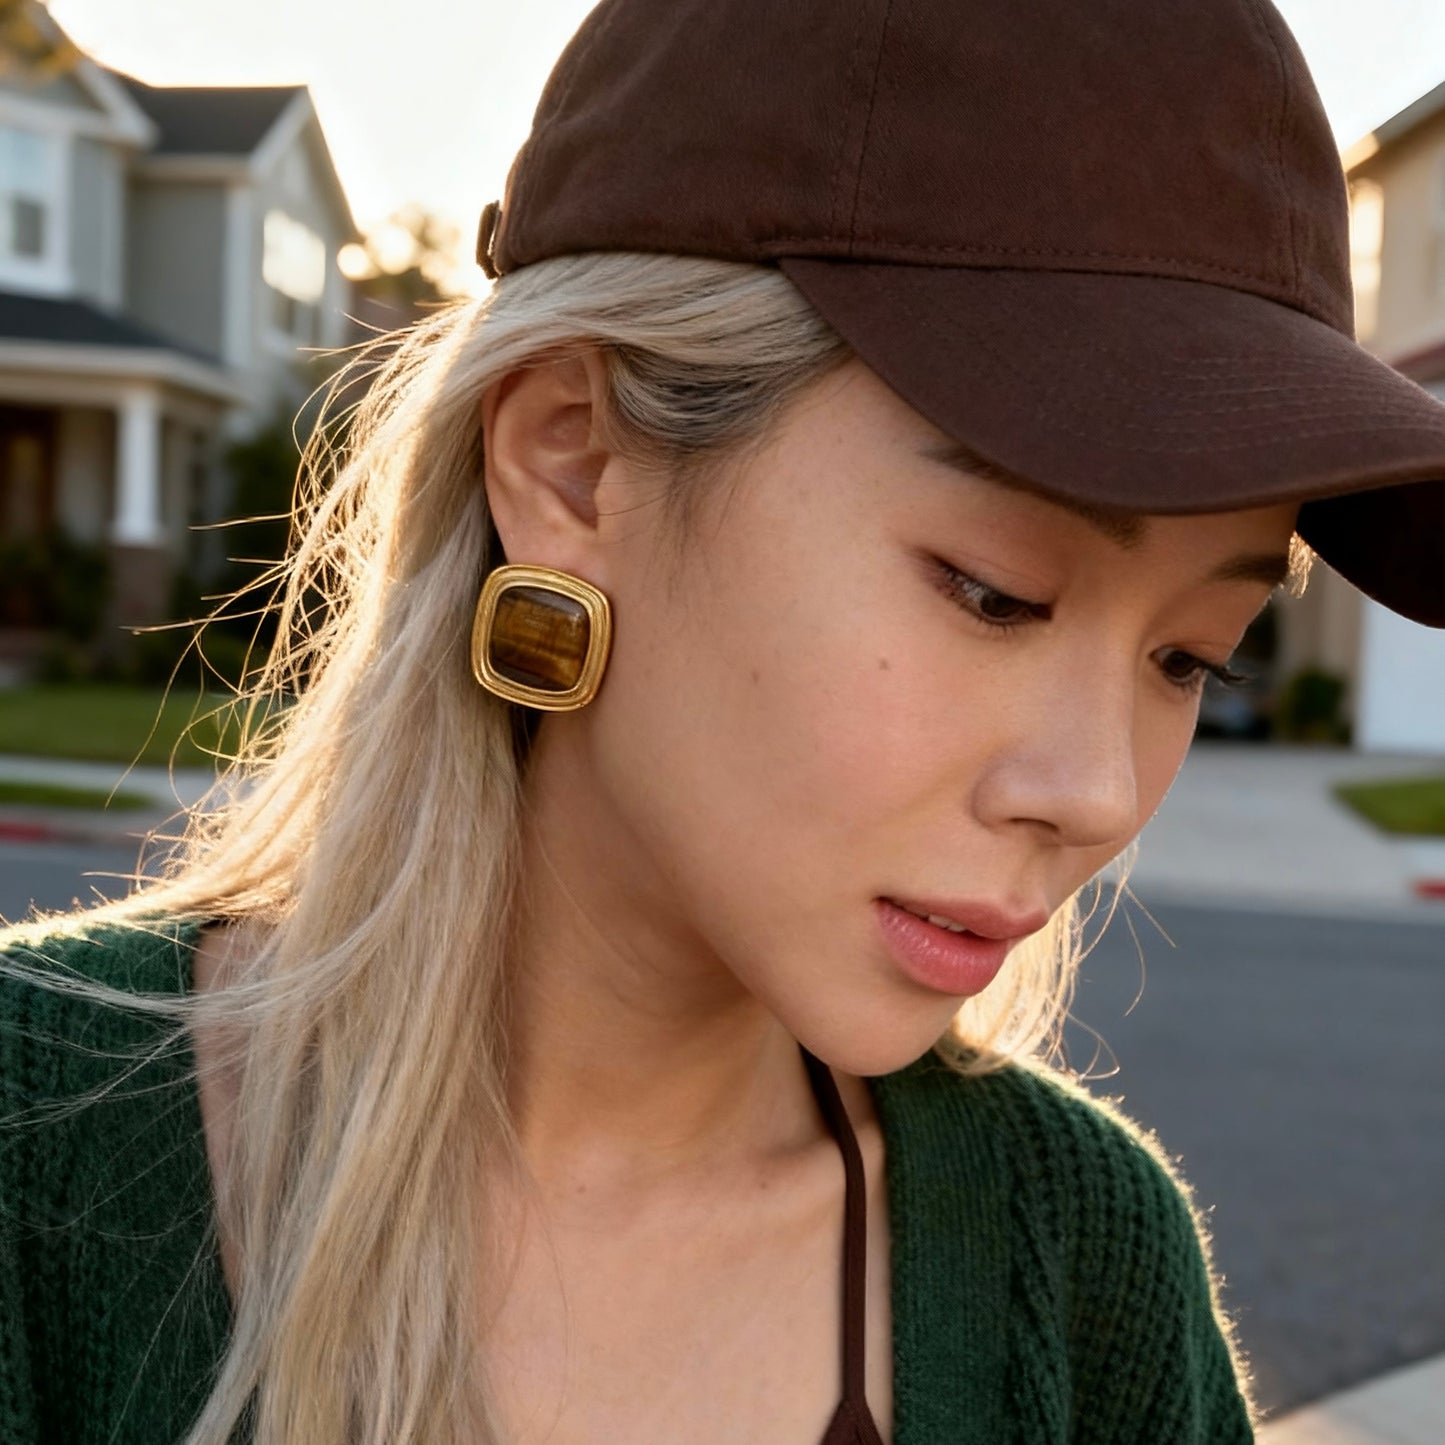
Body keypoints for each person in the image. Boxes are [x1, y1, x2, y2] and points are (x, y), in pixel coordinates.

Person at [4, 0, 1445, 1441]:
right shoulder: (33, 1154)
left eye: (1194, 656)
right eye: (995, 593)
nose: (1094, 790)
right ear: (572, 466)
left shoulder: (1084, 1272)